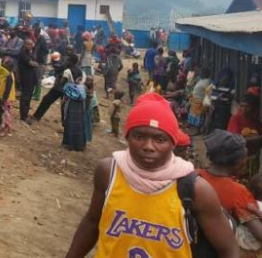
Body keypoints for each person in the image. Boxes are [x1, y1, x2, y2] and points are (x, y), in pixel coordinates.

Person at [65, 94, 237, 258]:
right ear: (127, 137)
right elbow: (92, 221)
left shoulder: (195, 190)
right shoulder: (108, 172)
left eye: (159, 139)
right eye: (139, 136)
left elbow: (228, 248)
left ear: (172, 143)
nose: (148, 146)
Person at [199, 130, 262, 255]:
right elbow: (259, 234)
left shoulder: (192, 175)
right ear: (239, 162)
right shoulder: (238, 191)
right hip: (219, 249)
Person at [227, 93, 262, 180]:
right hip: (239, 159)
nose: (243, 109)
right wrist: (257, 138)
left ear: (254, 108)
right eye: (241, 106)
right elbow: (235, 140)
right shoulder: (236, 119)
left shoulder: (257, 121)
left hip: (253, 159)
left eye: (247, 106)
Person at [61, 66, 88, 151]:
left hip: (71, 103)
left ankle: (69, 143)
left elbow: (63, 88)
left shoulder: (68, 83)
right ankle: (80, 144)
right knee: (80, 123)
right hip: (80, 104)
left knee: (70, 121)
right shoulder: (83, 78)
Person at [17, 38, 38, 122]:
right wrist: (34, 63)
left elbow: (36, 62)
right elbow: (33, 63)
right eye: (29, 44)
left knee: (29, 97)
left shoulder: (30, 53)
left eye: (31, 44)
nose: (31, 46)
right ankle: (23, 116)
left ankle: (25, 114)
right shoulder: (22, 53)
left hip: (31, 78)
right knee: (25, 97)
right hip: (25, 78)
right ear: (25, 44)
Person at [0, 57, 16, 136]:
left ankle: (7, 129)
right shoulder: (10, 74)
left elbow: (8, 88)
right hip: (6, 97)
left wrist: (4, 98)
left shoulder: (8, 76)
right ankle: (7, 127)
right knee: (6, 113)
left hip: (7, 98)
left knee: (7, 114)